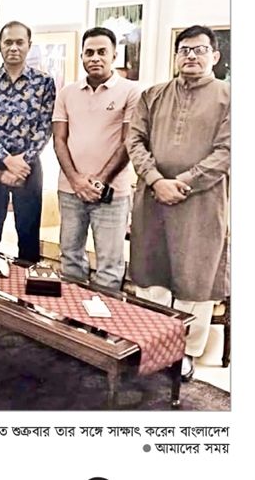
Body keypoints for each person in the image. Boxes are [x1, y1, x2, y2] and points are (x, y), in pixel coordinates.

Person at [126, 25, 230, 381]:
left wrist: (183, 182)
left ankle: (185, 353)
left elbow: (227, 151)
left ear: (214, 56)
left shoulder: (230, 98)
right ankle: (154, 344)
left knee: (194, 277)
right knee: (151, 272)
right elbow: (134, 141)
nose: (191, 56)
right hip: (153, 199)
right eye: (184, 49)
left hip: (201, 203)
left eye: (199, 50)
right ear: (176, 56)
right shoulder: (152, 95)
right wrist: (157, 180)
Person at [52, 27, 140, 290]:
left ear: (114, 55)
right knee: (70, 260)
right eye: (89, 52)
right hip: (70, 190)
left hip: (112, 192)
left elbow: (129, 141)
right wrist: (76, 180)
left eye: (102, 52)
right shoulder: (67, 92)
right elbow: (59, 140)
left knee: (110, 266)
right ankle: (70, 314)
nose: (95, 58)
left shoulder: (131, 91)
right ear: (82, 56)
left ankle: (101, 317)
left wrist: (99, 182)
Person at [0, 21, 56, 263]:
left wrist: (22, 160)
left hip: (28, 167)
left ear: (29, 45)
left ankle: (26, 284)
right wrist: (7, 159)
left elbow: (45, 126)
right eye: (8, 42)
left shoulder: (44, 82)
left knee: (28, 232)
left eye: (20, 42)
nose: (14, 47)